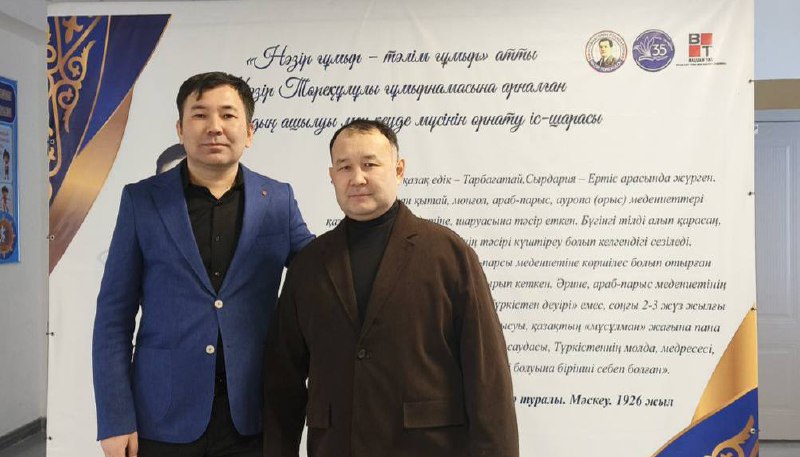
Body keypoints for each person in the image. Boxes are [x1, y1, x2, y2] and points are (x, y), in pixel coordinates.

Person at [264, 119, 518, 457]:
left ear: (399, 170)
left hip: (426, 448)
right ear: (332, 176)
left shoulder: (447, 254)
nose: (357, 178)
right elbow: (283, 380)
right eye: (345, 167)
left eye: (370, 164)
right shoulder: (309, 265)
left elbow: (487, 375)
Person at [93, 71, 314, 457]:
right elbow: (114, 316)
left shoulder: (277, 199)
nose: (214, 127)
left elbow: (319, 271)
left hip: (253, 412)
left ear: (249, 132)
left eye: (228, 115)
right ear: (180, 129)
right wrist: (115, 419)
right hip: (163, 415)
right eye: (200, 115)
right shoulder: (142, 201)